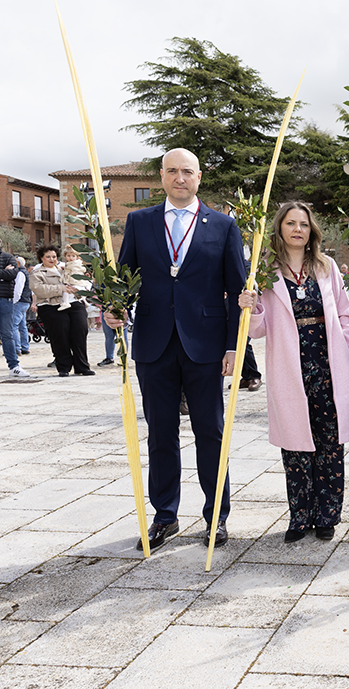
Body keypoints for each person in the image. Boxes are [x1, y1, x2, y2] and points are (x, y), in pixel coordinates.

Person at [106, 148, 246, 551]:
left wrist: (235, 348)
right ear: (162, 176)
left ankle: (216, 516)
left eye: (187, 171)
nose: (179, 178)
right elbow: (125, 281)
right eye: (172, 171)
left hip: (205, 344)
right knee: (160, 434)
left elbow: (236, 291)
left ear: (199, 177)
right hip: (154, 342)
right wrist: (115, 310)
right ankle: (165, 516)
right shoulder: (139, 221)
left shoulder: (222, 225)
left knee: (211, 434)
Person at [239, 201, 349, 541]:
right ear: (279, 228)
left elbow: (343, 313)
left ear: (312, 231)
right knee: (295, 445)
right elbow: (257, 330)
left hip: (328, 365)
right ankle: (299, 515)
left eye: (303, 224)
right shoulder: (264, 272)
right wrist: (249, 307)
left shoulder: (327, 266)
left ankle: (327, 515)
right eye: (291, 223)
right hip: (290, 367)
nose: (297, 229)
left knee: (329, 442)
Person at [30, 246, 92, 377]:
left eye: (54, 256)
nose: (52, 259)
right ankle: (63, 367)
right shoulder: (37, 272)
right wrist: (60, 288)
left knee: (80, 331)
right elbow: (38, 288)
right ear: (41, 257)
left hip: (74, 302)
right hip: (51, 306)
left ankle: (82, 366)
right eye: (48, 256)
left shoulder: (65, 268)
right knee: (60, 335)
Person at [0, 240, 29, 377]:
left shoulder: (8, 257)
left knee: (8, 334)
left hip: (5, 300)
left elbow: (11, 275)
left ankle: (14, 366)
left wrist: (6, 274)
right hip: (5, 300)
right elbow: (5, 275)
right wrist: (2, 273)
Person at [12, 257, 32, 357]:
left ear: (18, 263)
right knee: (22, 325)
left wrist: (14, 301)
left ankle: (17, 348)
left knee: (14, 325)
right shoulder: (27, 273)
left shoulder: (20, 273)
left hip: (19, 302)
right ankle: (25, 347)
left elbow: (18, 289)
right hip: (26, 301)